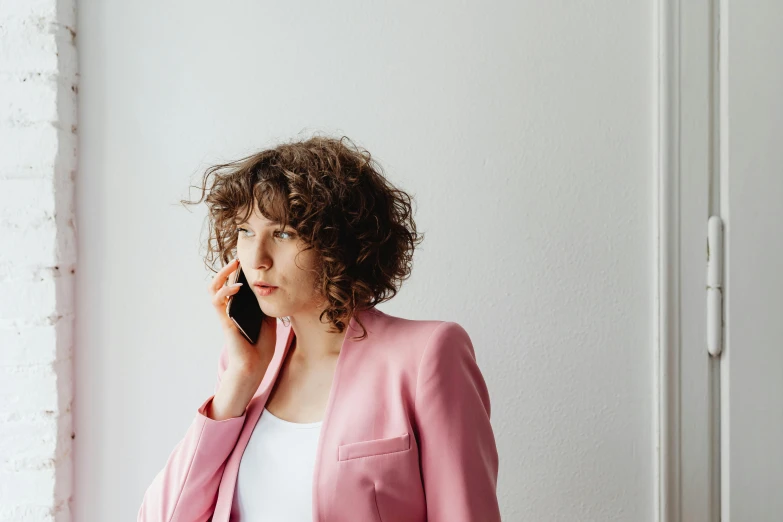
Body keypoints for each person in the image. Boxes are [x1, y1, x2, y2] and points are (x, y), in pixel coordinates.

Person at [137, 135, 501, 522]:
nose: (257, 258)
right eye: (245, 231)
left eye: (283, 233)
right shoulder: (248, 366)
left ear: (339, 243)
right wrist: (240, 380)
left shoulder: (426, 354)